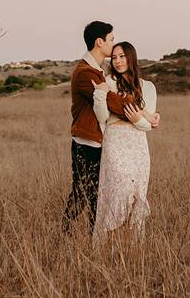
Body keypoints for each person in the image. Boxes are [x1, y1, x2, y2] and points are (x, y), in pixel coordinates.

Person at [62, 21, 141, 234]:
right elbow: (113, 102)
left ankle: (90, 237)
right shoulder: (84, 73)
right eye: (111, 39)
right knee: (85, 194)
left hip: (98, 142)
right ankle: (69, 235)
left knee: (95, 194)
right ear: (100, 42)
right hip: (86, 145)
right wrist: (141, 110)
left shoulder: (98, 69)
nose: (113, 43)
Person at [92, 41, 159, 237]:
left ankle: (132, 244)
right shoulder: (108, 81)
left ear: (131, 57)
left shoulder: (148, 87)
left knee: (138, 192)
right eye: (114, 57)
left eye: (122, 56)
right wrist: (100, 94)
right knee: (119, 188)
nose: (118, 61)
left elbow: (150, 124)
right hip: (115, 139)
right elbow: (102, 117)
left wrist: (138, 119)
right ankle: (108, 239)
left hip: (138, 141)